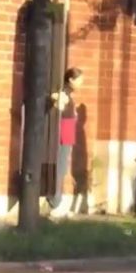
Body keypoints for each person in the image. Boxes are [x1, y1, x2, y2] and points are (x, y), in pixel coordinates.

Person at [47, 67, 83, 212]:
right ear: (71, 80)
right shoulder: (64, 93)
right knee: (60, 167)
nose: (81, 84)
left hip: (67, 131)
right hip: (64, 131)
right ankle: (55, 201)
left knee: (62, 167)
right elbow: (58, 103)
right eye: (79, 80)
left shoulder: (68, 94)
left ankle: (56, 199)